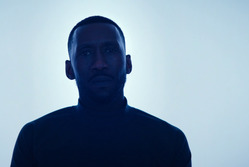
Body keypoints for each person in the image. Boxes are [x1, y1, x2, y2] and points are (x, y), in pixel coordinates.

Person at [11, 16, 192, 167]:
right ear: (69, 69)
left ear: (128, 63)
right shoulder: (34, 138)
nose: (100, 64)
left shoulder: (170, 141)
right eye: (86, 53)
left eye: (110, 50)